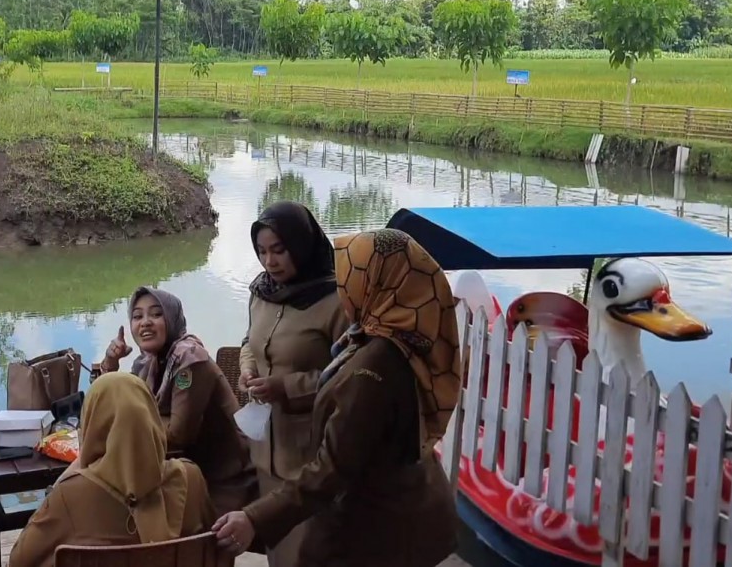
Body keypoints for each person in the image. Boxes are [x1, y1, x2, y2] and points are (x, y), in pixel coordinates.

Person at [213, 229, 462, 567]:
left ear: (376, 281)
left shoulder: (373, 369)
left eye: (350, 274)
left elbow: (332, 469)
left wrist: (253, 518)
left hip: (382, 526)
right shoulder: (383, 335)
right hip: (396, 508)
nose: (343, 285)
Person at [237, 200, 348, 565]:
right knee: (278, 550)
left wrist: (286, 387)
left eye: (279, 250)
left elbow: (348, 374)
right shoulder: (261, 291)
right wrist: (247, 370)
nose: (270, 261)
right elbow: (248, 343)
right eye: (262, 252)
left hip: (311, 457)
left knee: (311, 551)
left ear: (301, 244)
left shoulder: (337, 301)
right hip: (268, 451)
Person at [9, 372, 216, 567]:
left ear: (93, 425)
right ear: (152, 420)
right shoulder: (191, 478)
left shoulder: (71, 495)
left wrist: (60, 483)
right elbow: (212, 546)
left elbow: (18, 561)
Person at [98, 286, 257, 514]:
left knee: (118, 509)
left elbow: (178, 435)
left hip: (222, 482)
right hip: (178, 471)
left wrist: (123, 437)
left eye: (156, 314)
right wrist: (111, 362)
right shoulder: (147, 362)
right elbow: (122, 407)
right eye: (137, 316)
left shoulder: (189, 359)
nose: (145, 322)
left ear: (172, 318)